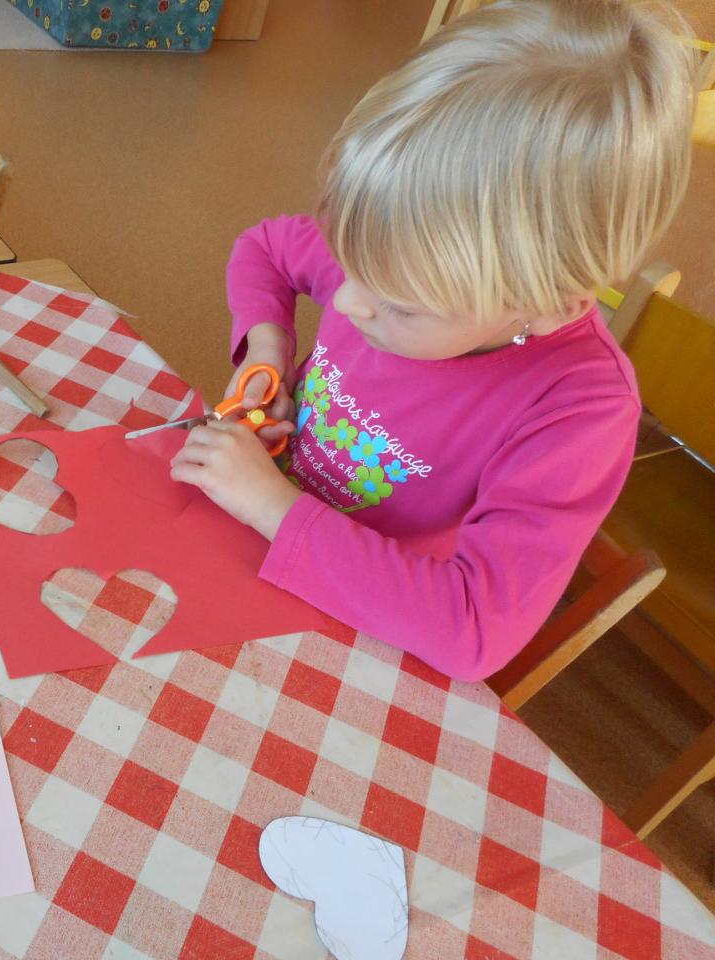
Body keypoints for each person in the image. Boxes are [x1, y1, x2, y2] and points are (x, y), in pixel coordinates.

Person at [169, 0, 695, 681]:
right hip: (250, 533)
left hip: (358, 630)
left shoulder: (580, 411)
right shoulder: (401, 254)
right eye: (348, 262)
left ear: (545, 303)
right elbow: (265, 249)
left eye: (400, 307)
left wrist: (272, 505)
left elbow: (472, 631)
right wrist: (268, 354)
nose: (346, 301)